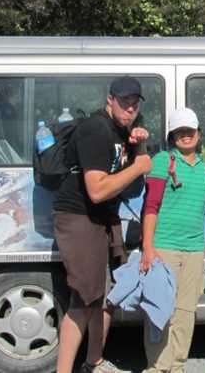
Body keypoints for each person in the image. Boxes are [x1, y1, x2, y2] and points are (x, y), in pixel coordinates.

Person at [52, 76, 152, 373]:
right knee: (84, 298)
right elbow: (96, 190)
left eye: (134, 104)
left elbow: (137, 166)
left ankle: (94, 361)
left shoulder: (122, 130)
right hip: (80, 216)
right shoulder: (96, 130)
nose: (130, 108)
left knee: (105, 296)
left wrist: (141, 144)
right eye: (124, 102)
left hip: (102, 219)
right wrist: (137, 166)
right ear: (109, 100)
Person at [139, 108, 205, 372]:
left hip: (194, 249)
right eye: (180, 132)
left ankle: (176, 365)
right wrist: (148, 248)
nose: (185, 136)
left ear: (199, 134)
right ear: (172, 137)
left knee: (186, 312)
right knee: (160, 309)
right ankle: (157, 366)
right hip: (163, 247)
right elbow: (151, 207)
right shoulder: (163, 161)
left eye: (190, 131)